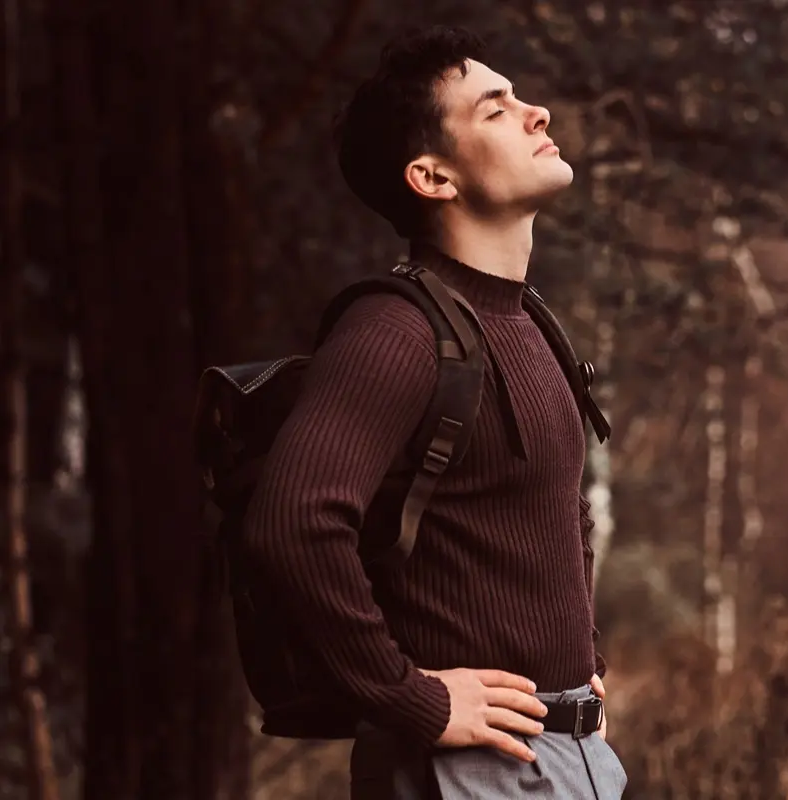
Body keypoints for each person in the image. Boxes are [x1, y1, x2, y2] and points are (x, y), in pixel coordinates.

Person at [240, 24, 626, 799]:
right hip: (471, 771)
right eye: (496, 109)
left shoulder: (530, 322)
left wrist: (585, 668)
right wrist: (408, 696)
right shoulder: (396, 330)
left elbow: (557, 513)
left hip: (567, 757)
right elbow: (292, 522)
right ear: (432, 176)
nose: (538, 113)